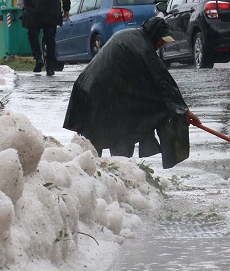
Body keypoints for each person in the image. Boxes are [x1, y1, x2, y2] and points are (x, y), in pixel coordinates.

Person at [63, 17, 200, 168]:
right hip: (98, 95)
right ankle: (114, 173)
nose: (161, 45)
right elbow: (162, 81)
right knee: (115, 136)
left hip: (88, 91)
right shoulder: (143, 47)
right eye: (161, 41)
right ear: (154, 35)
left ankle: (103, 175)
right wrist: (183, 110)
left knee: (97, 140)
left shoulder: (131, 36)